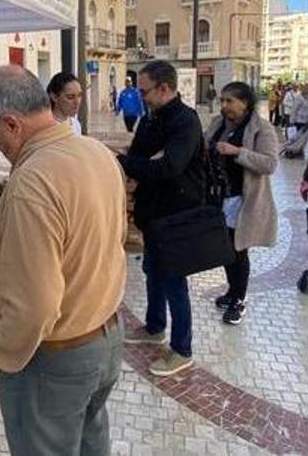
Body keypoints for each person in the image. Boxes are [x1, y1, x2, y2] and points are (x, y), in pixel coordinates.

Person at [0, 65, 126, 456]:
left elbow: (34, 303)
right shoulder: (95, 151)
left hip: (56, 357)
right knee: (92, 442)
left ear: (10, 124)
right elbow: (115, 239)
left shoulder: (33, 180)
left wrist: (4, 347)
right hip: (106, 337)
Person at [117, 60, 206, 377]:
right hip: (152, 213)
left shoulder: (186, 122)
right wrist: (142, 163)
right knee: (152, 272)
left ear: (165, 88)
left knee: (173, 281)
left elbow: (168, 167)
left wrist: (134, 163)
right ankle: (155, 327)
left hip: (176, 217)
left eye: (144, 91)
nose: (141, 96)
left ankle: (182, 350)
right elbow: (141, 158)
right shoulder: (151, 119)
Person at [204, 82, 278, 325]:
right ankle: (231, 290)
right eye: (222, 101)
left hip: (243, 199)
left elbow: (269, 164)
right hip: (217, 196)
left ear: (244, 103)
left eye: (229, 101)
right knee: (224, 248)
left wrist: (237, 152)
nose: (224, 106)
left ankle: (239, 298)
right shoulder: (218, 124)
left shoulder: (261, 128)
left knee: (238, 249)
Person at [47, 71, 84, 136]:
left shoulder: (75, 124)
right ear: (54, 97)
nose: (77, 102)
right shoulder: (47, 126)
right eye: (70, 97)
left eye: (79, 95)